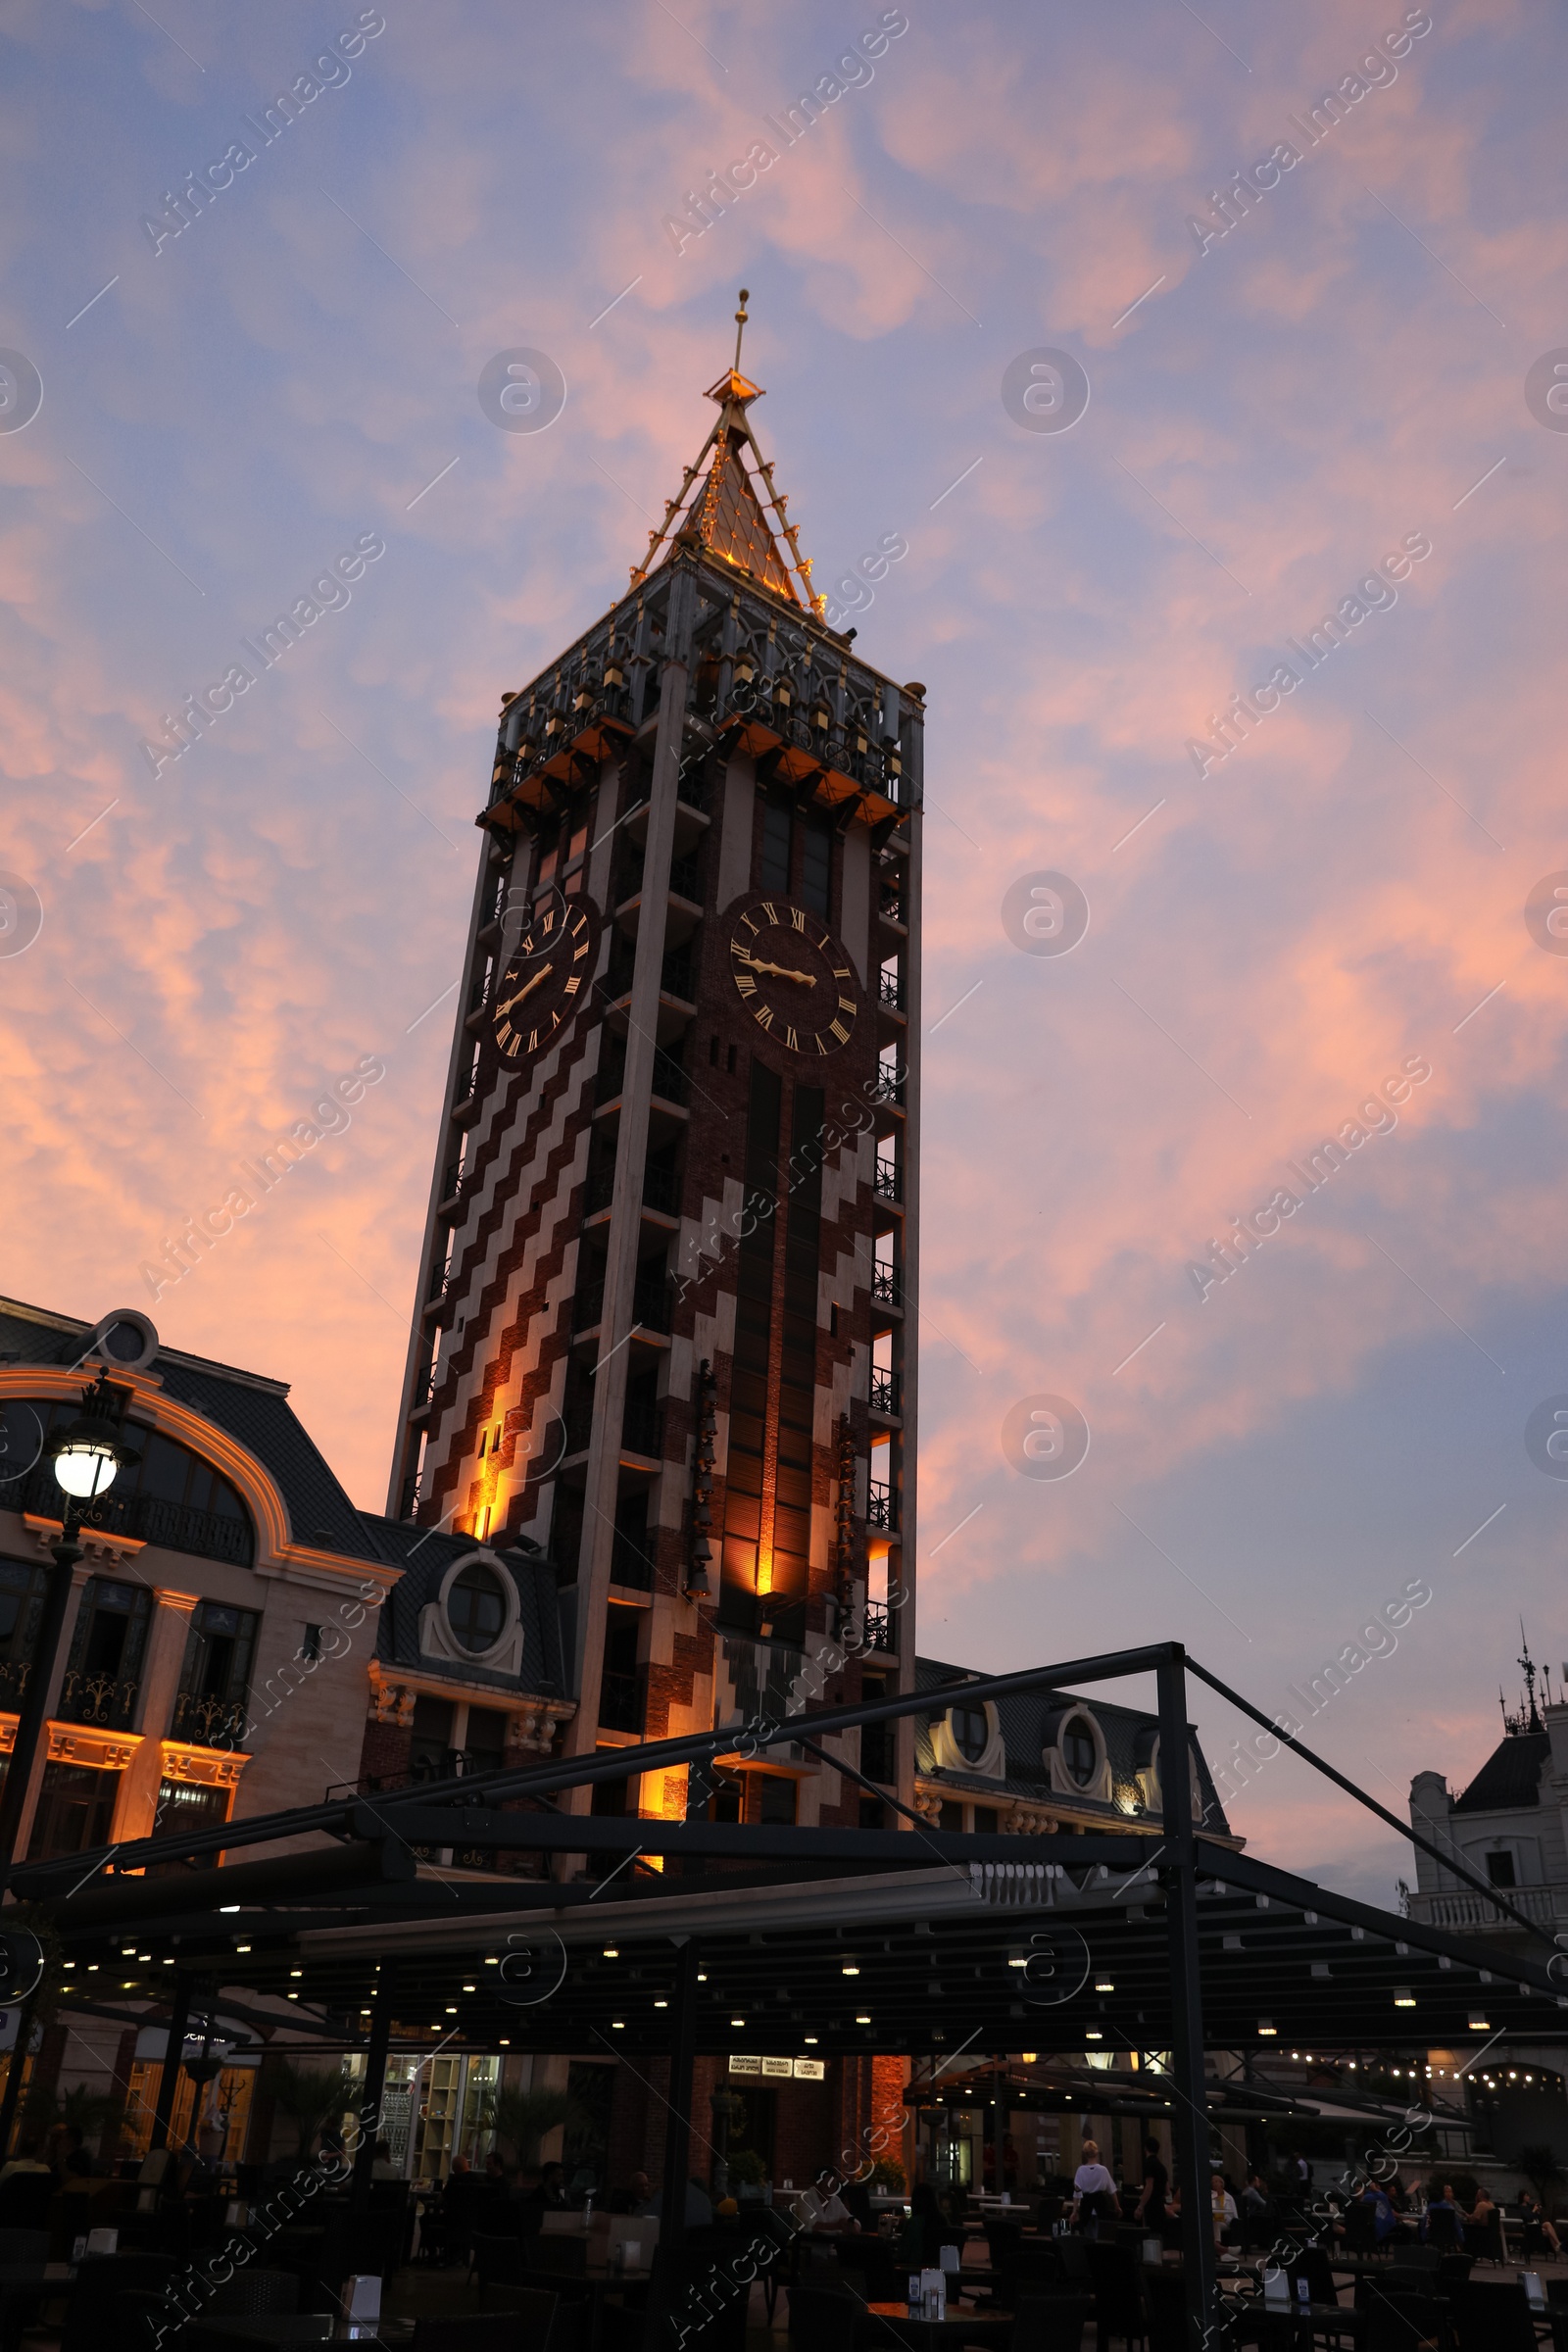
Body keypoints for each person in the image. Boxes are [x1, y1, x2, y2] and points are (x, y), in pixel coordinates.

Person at [1070, 2139, 1118, 2240]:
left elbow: (1077, 2192)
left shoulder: (1080, 2170)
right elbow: (1112, 2190)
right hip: (1100, 2204)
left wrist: (1074, 2211)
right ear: (1096, 2153)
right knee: (1101, 2236)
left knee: (1087, 2237)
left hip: (1086, 2205)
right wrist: (1117, 2206)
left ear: (1085, 2154)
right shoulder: (1103, 2170)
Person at [793, 2166, 859, 2232]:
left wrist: (853, 2227)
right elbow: (806, 2224)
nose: (831, 2191)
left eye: (833, 2187)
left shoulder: (835, 2200)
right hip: (804, 2241)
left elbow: (853, 2220)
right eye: (827, 2187)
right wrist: (836, 2226)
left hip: (828, 2242)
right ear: (817, 2185)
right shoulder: (806, 2197)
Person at [1134, 2137, 1168, 2230]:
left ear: (1145, 2148)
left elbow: (1149, 2186)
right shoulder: (1162, 2167)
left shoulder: (1149, 2164)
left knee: (1150, 2233)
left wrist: (1140, 2206)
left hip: (1151, 2205)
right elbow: (1167, 2191)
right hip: (1160, 2205)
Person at [1519, 2189, 1561, 2257]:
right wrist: (1534, 2210)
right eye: (1526, 2196)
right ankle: (1558, 2248)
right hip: (1529, 2227)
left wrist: (1538, 2212)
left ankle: (1558, 2250)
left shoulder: (1529, 2207)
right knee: (1549, 2232)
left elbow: (1538, 2219)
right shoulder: (1521, 2207)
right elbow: (1528, 2218)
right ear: (1522, 2197)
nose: (1528, 2197)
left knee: (1548, 2225)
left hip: (1536, 2225)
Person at [1210, 2173, 1239, 2248]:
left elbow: (1234, 2215)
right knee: (1214, 2222)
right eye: (1213, 2183)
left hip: (1225, 2222)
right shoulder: (1211, 2196)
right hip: (1212, 2221)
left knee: (1215, 2222)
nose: (1214, 2184)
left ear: (1221, 2184)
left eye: (1216, 2182)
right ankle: (1219, 2248)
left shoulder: (1229, 2198)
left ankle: (1218, 2245)